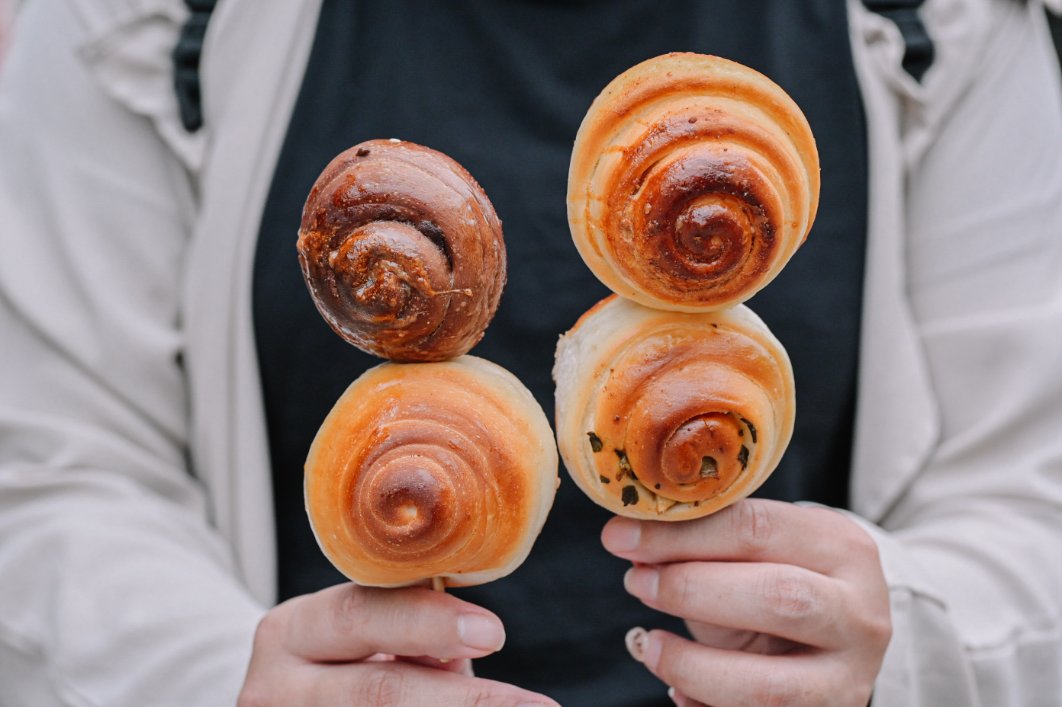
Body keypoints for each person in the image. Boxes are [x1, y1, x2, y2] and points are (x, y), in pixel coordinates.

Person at [1, 0, 1060, 705]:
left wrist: (898, 643)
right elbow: (54, 469)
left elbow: (1034, 497)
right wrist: (220, 677)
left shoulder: (941, 23)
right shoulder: (144, 20)